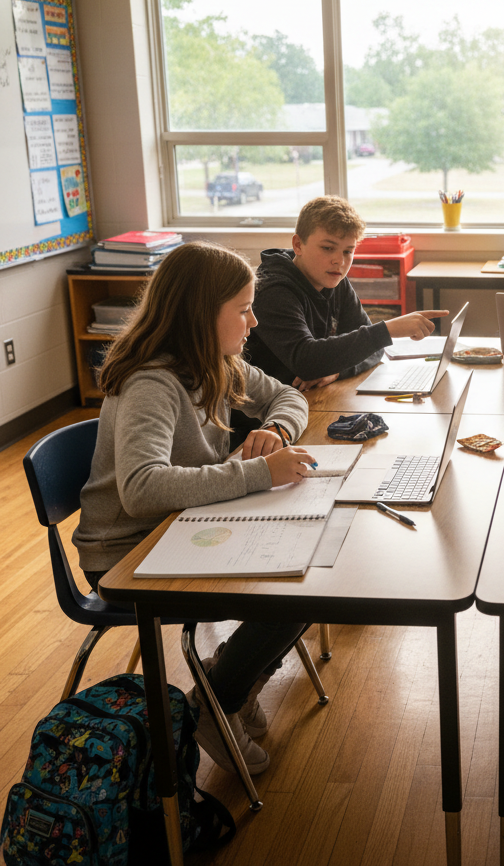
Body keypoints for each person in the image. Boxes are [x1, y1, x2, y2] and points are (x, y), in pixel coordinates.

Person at [73, 241, 319, 776]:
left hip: (181, 526)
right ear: (200, 315)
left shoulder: (217, 361)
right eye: (243, 309)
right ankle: (219, 696)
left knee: (314, 572)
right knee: (297, 587)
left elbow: (291, 397)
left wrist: (275, 429)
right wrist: (257, 473)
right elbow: (140, 488)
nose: (254, 321)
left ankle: (229, 679)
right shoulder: (151, 383)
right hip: (126, 551)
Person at [245, 196, 448, 392]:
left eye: (347, 251)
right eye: (327, 248)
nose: (339, 261)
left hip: (310, 398)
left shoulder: (333, 279)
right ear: (298, 245)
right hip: (265, 415)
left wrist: (338, 371)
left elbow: (374, 350)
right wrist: (386, 330)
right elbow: (305, 360)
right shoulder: (272, 289)